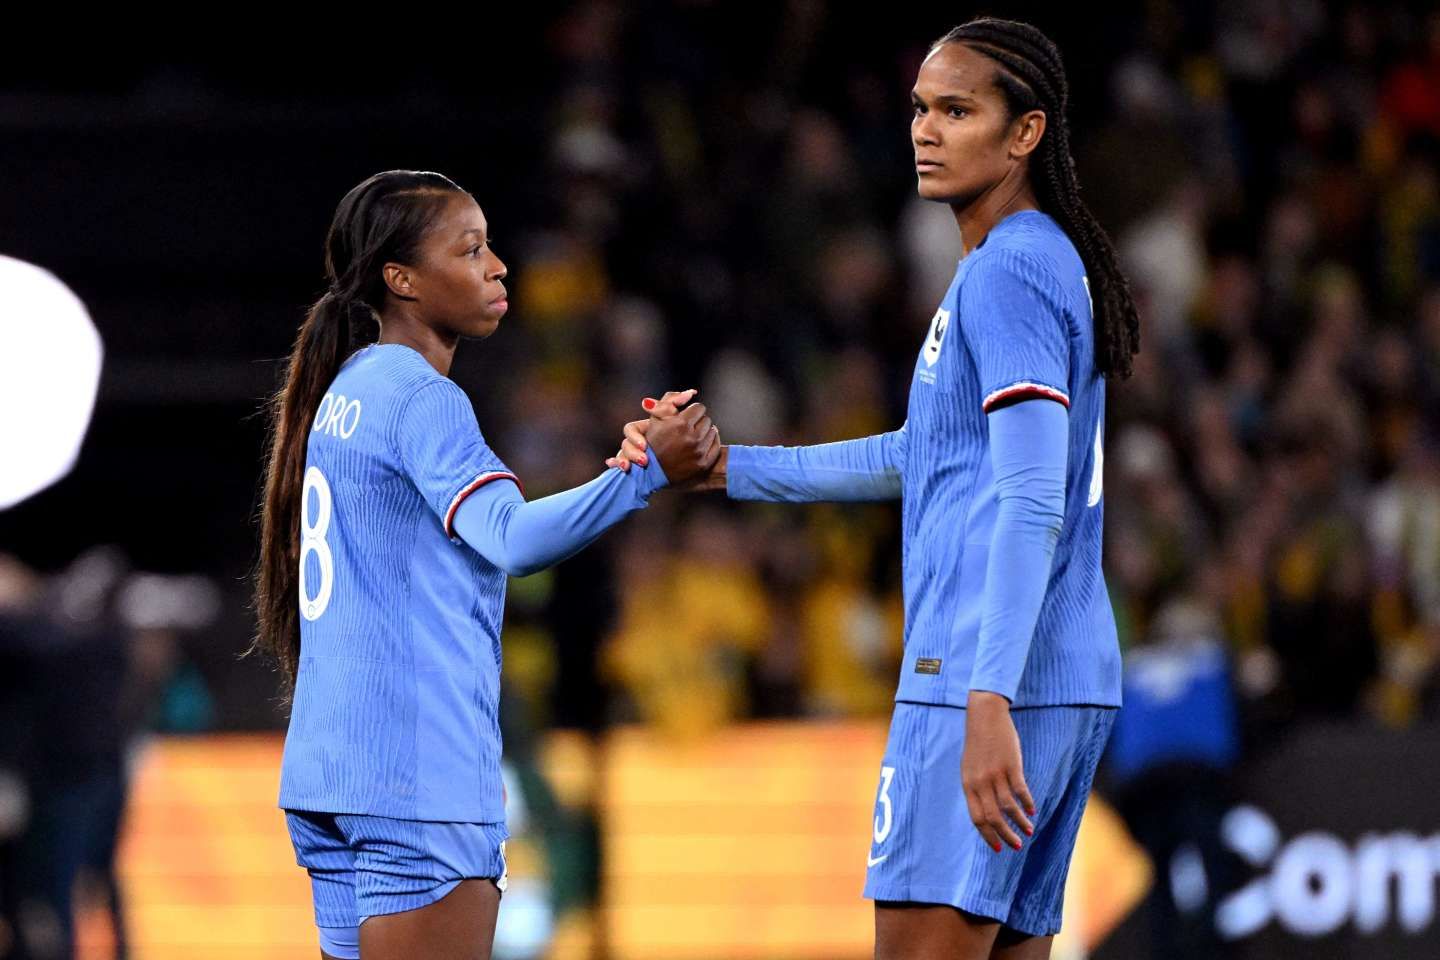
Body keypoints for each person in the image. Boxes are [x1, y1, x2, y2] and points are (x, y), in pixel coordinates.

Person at [612, 19, 1139, 960]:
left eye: (957, 109)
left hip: (979, 682)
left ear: (1025, 134)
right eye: (920, 109)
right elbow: (924, 456)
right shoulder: (1027, 262)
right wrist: (732, 468)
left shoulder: (1009, 270)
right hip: (1062, 677)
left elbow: (1027, 499)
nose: (925, 131)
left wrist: (987, 703)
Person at [252, 170, 718, 960]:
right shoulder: (422, 396)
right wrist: (643, 474)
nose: (498, 266)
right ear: (400, 280)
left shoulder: (345, 389)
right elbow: (513, 539)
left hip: (334, 773)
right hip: (417, 777)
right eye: (470, 250)